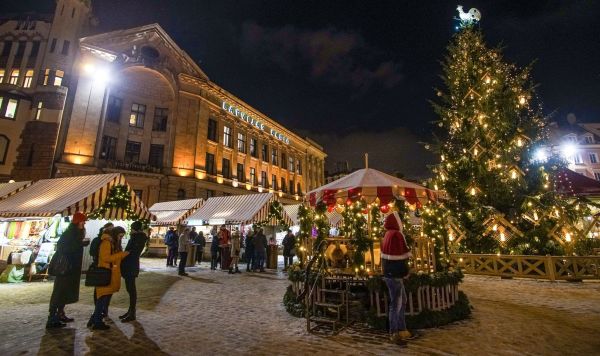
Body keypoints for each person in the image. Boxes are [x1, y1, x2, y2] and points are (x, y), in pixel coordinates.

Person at [46, 212, 89, 329]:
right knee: (59, 292)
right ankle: (52, 318)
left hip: (72, 268)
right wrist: (80, 244)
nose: (84, 223)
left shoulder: (77, 233)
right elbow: (62, 248)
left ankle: (60, 313)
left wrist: (81, 243)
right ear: (77, 222)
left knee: (64, 292)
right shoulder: (69, 233)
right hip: (65, 268)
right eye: (83, 221)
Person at [88, 226, 129, 330]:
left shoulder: (112, 243)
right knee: (101, 299)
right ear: (115, 234)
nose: (121, 238)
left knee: (103, 299)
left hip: (110, 274)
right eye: (120, 236)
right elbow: (105, 258)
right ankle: (97, 321)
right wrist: (121, 255)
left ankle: (95, 319)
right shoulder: (106, 243)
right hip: (106, 275)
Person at [381, 211, 412, 344]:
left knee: (402, 300)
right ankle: (394, 332)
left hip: (389, 273)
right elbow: (400, 257)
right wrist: (405, 272)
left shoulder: (387, 234)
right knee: (396, 303)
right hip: (395, 274)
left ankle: (401, 328)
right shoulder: (396, 235)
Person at [119, 221, 148, 322]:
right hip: (130, 265)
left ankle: (132, 312)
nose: (130, 230)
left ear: (135, 229)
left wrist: (123, 255)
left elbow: (131, 252)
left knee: (131, 290)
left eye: (132, 228)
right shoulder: (137, 237)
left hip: (131, 266)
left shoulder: (138, 238)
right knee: (130, 289)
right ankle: (130, 311)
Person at [89, 222, 113, 317]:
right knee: (99, 290)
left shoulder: (111, 241)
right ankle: (98, 311)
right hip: (99, 267)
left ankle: (103, 309)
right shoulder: (98, 240)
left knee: (107, 290)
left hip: (108, 267)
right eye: (110, 229)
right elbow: (92, 252)